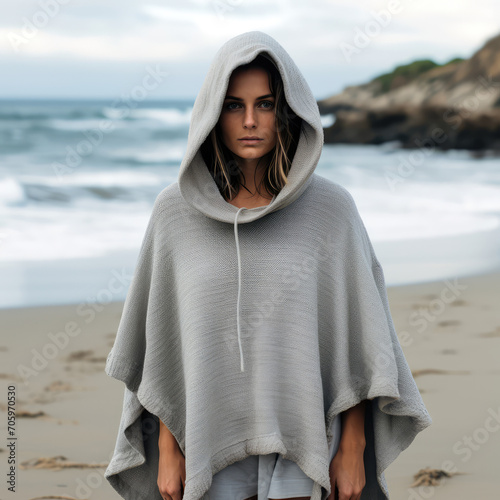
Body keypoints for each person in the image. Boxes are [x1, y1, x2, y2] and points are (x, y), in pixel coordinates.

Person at [104, 31, 432, 500]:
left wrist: (353, 447)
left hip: (308, 438)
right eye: (234, 105)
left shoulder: (331, 210)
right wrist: (170, 450)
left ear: (287, 111)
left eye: (266, 104)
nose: (251, 121)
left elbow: (359, 339)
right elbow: (163, 343)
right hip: (205, 439)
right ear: (212, 113)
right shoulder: (174, 213)